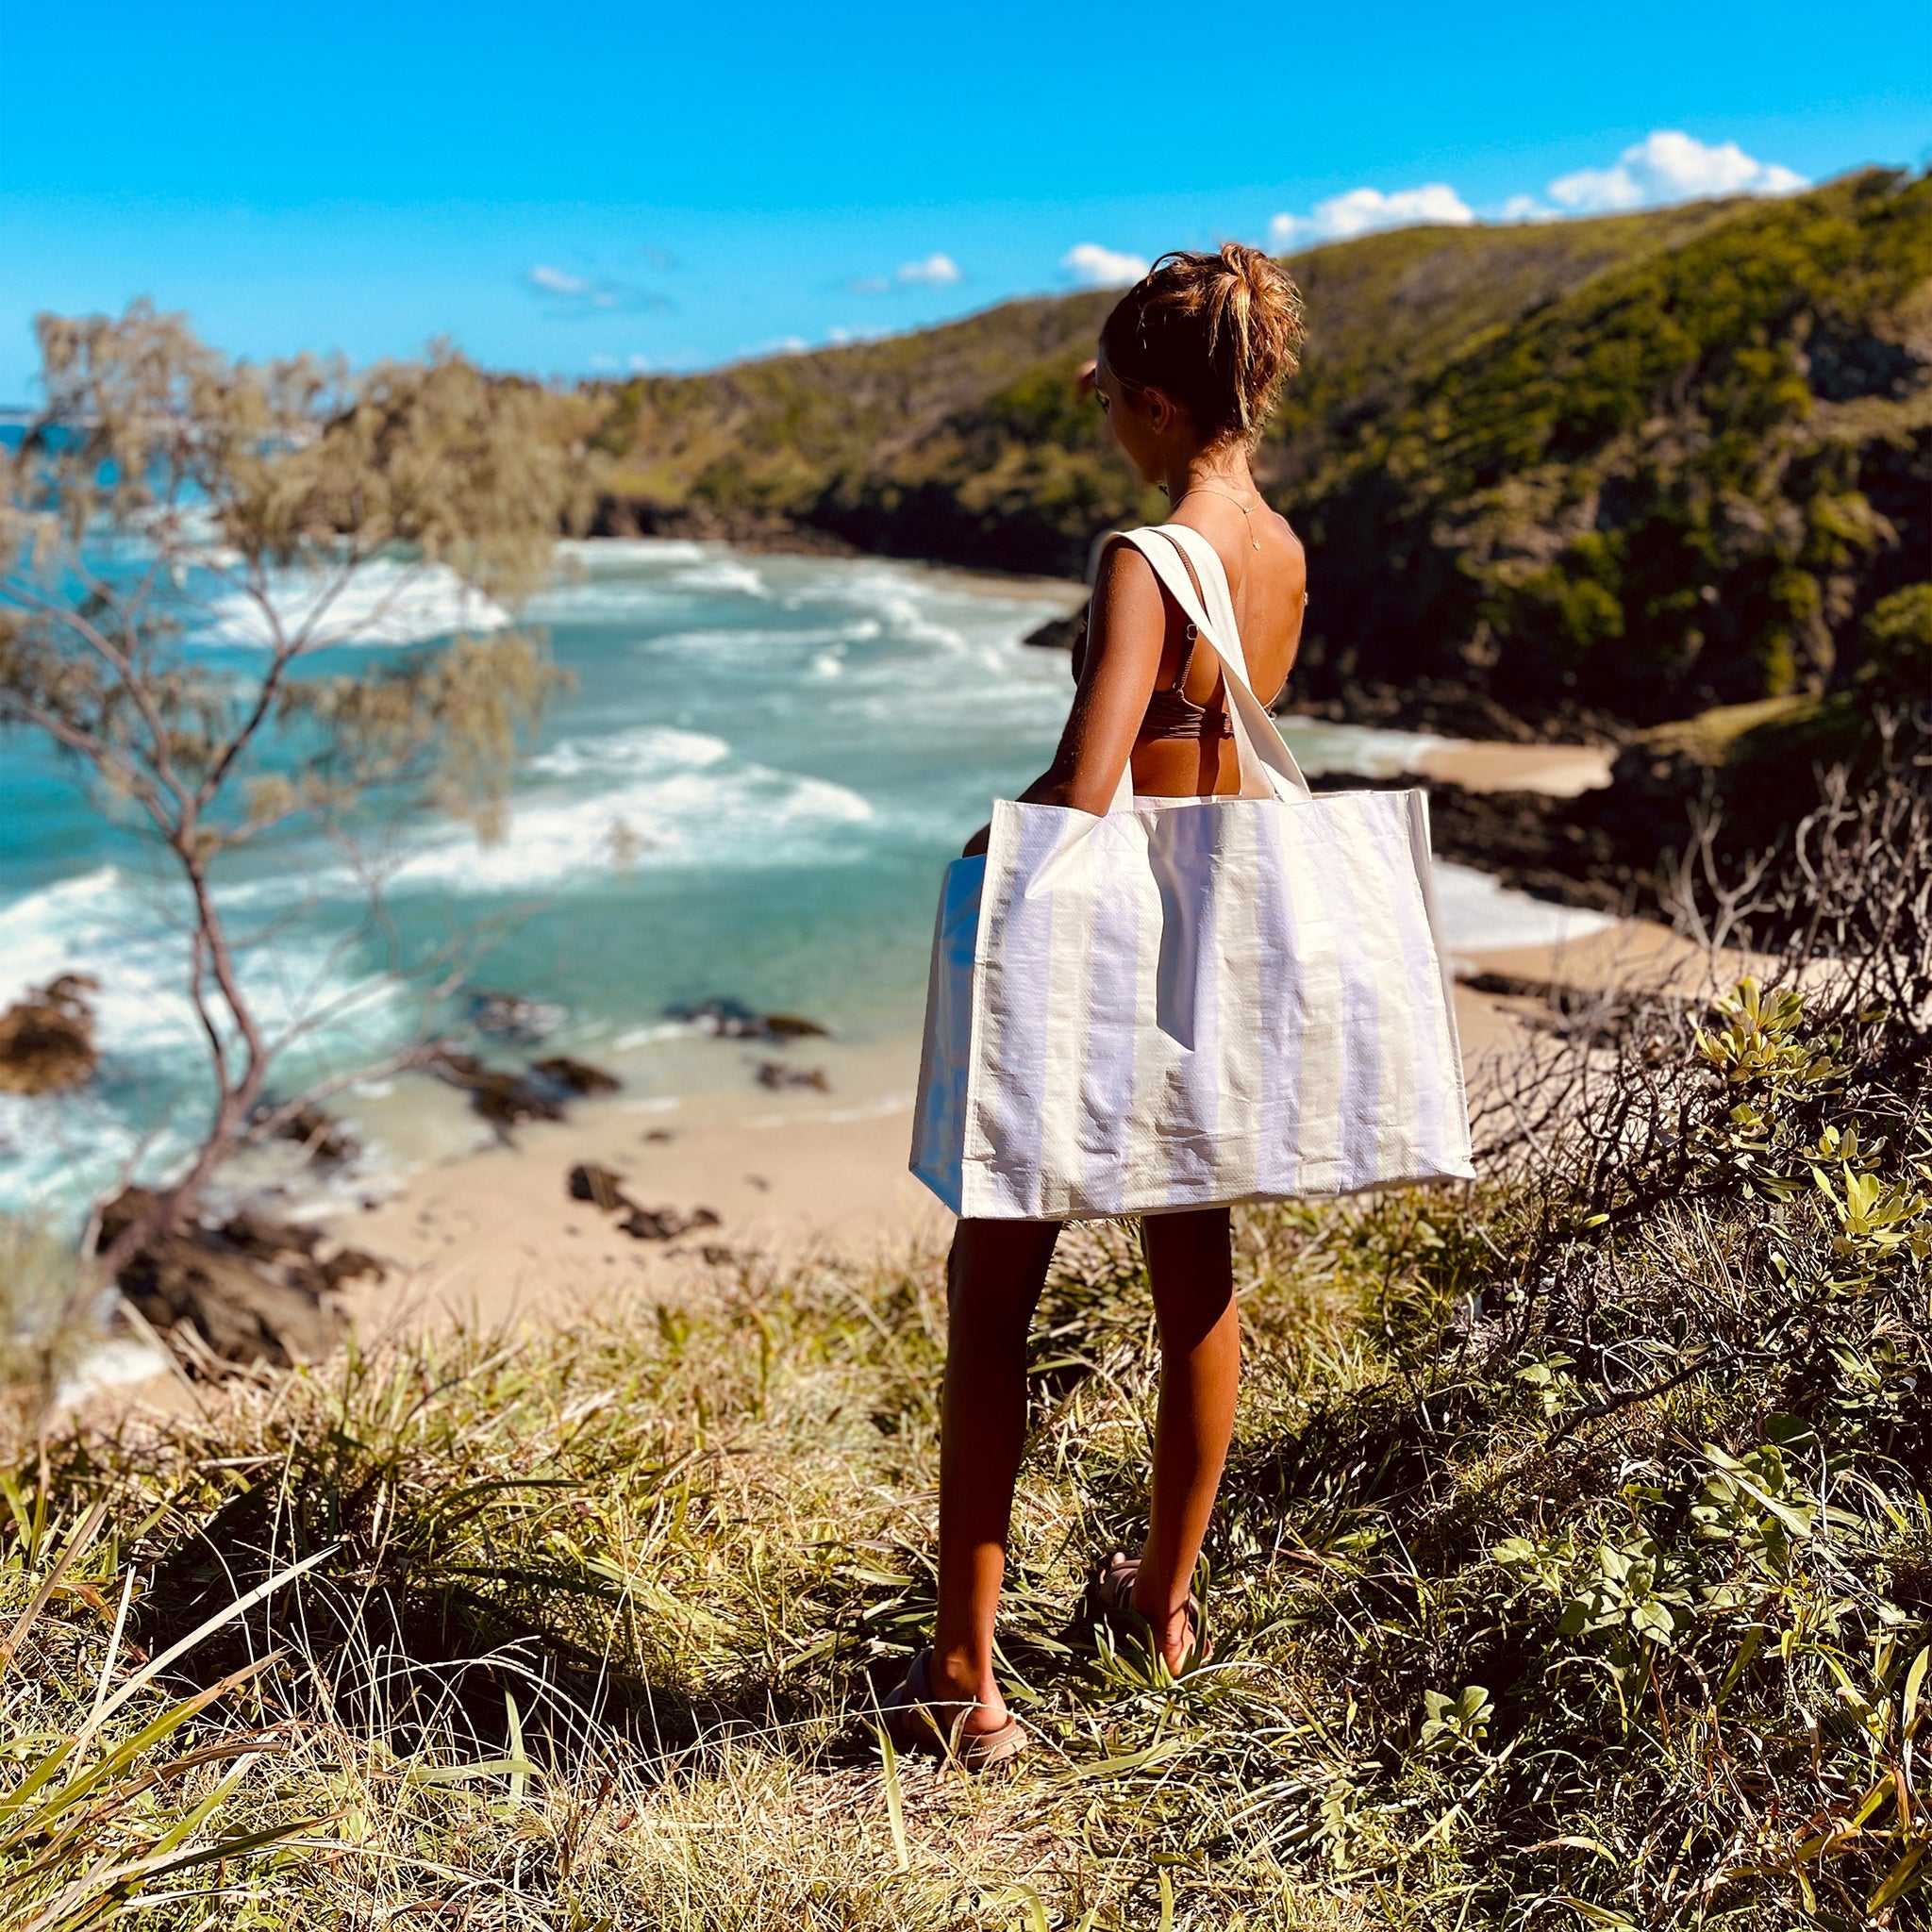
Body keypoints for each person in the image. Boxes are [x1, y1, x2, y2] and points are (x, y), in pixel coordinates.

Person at [887, 244, 1308, 1769]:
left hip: (1106, 945)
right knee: (1195, 1270)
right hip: (1213, 933)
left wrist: (979, 850)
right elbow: (1230, 743)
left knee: (994, 1288)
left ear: (1148, 401)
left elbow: (1091, 779)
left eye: (1112, 412)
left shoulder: (1147, 555)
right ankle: (1164, 1608)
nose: (1111, 439)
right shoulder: (1282, 552)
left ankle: (964, 1679)